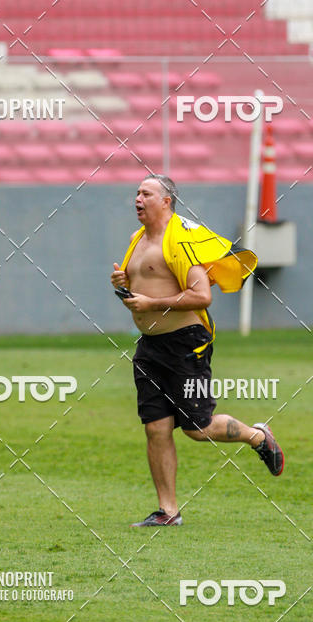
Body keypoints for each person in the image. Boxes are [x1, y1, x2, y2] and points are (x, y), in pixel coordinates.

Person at [111, 175, 284, 527]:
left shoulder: (182, 243)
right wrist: (124, 285)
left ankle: (258, 436)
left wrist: (151, 302)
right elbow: (143, 282)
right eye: (137, 193)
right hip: (150, 348)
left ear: (166, 201)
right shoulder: (137, 240)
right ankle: (168, 512)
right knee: (156, 428)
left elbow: (201, 295)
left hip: (186, 344)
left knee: (198, 427)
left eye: (146, 193)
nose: (137, 199)